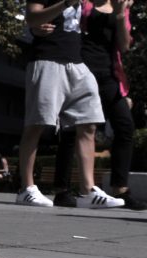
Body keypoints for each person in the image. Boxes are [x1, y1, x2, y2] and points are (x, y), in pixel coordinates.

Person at [17, 0, 123, 209]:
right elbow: (32, 18)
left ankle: (88, 191)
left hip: (77, 63)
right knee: (36, 125)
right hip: (47, 59)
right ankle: (26, 189)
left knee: (89, 122)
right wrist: (64, 3)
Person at [48, 0, 145, 210]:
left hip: (109, 75)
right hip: (81, 68)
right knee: (72, 129)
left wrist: (119, 15)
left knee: (125, 126)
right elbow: (66, 25)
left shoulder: (122, 9)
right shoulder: (84, 4)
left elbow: (125, 45)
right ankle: (62, 190)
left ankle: (120, 189)